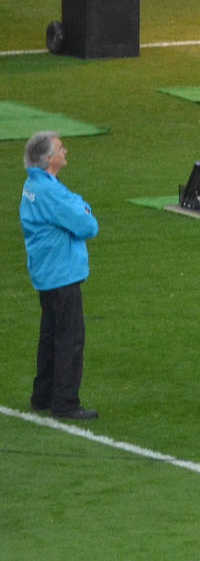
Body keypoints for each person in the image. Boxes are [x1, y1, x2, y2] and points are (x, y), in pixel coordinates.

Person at [19, 132, 97, 421]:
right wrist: (85, 210)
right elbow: (86, 225)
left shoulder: (35, 185)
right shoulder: (50, 192)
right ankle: (65, 402)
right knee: (69, 338)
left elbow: (73, 207)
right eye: (61, 149)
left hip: (46, 271)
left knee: (50, 335)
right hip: (62, 272)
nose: (66, 152)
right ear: (49, 158)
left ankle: (43, 395)